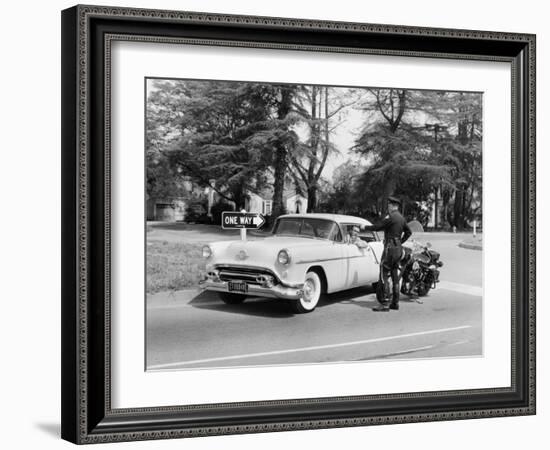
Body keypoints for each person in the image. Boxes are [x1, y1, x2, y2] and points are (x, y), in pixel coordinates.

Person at [363, 196, 412, 311]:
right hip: (398, 249)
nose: (388, 206)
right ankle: (395, 303)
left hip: (389, 248)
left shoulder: (390, 217)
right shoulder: (401, 218)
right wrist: (400, 242)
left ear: (392, 206)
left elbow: (377, 227)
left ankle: (384, 304)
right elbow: (409, 232)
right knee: (395, 276)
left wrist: (364, 227)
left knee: (383, 274)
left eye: (389, 205)